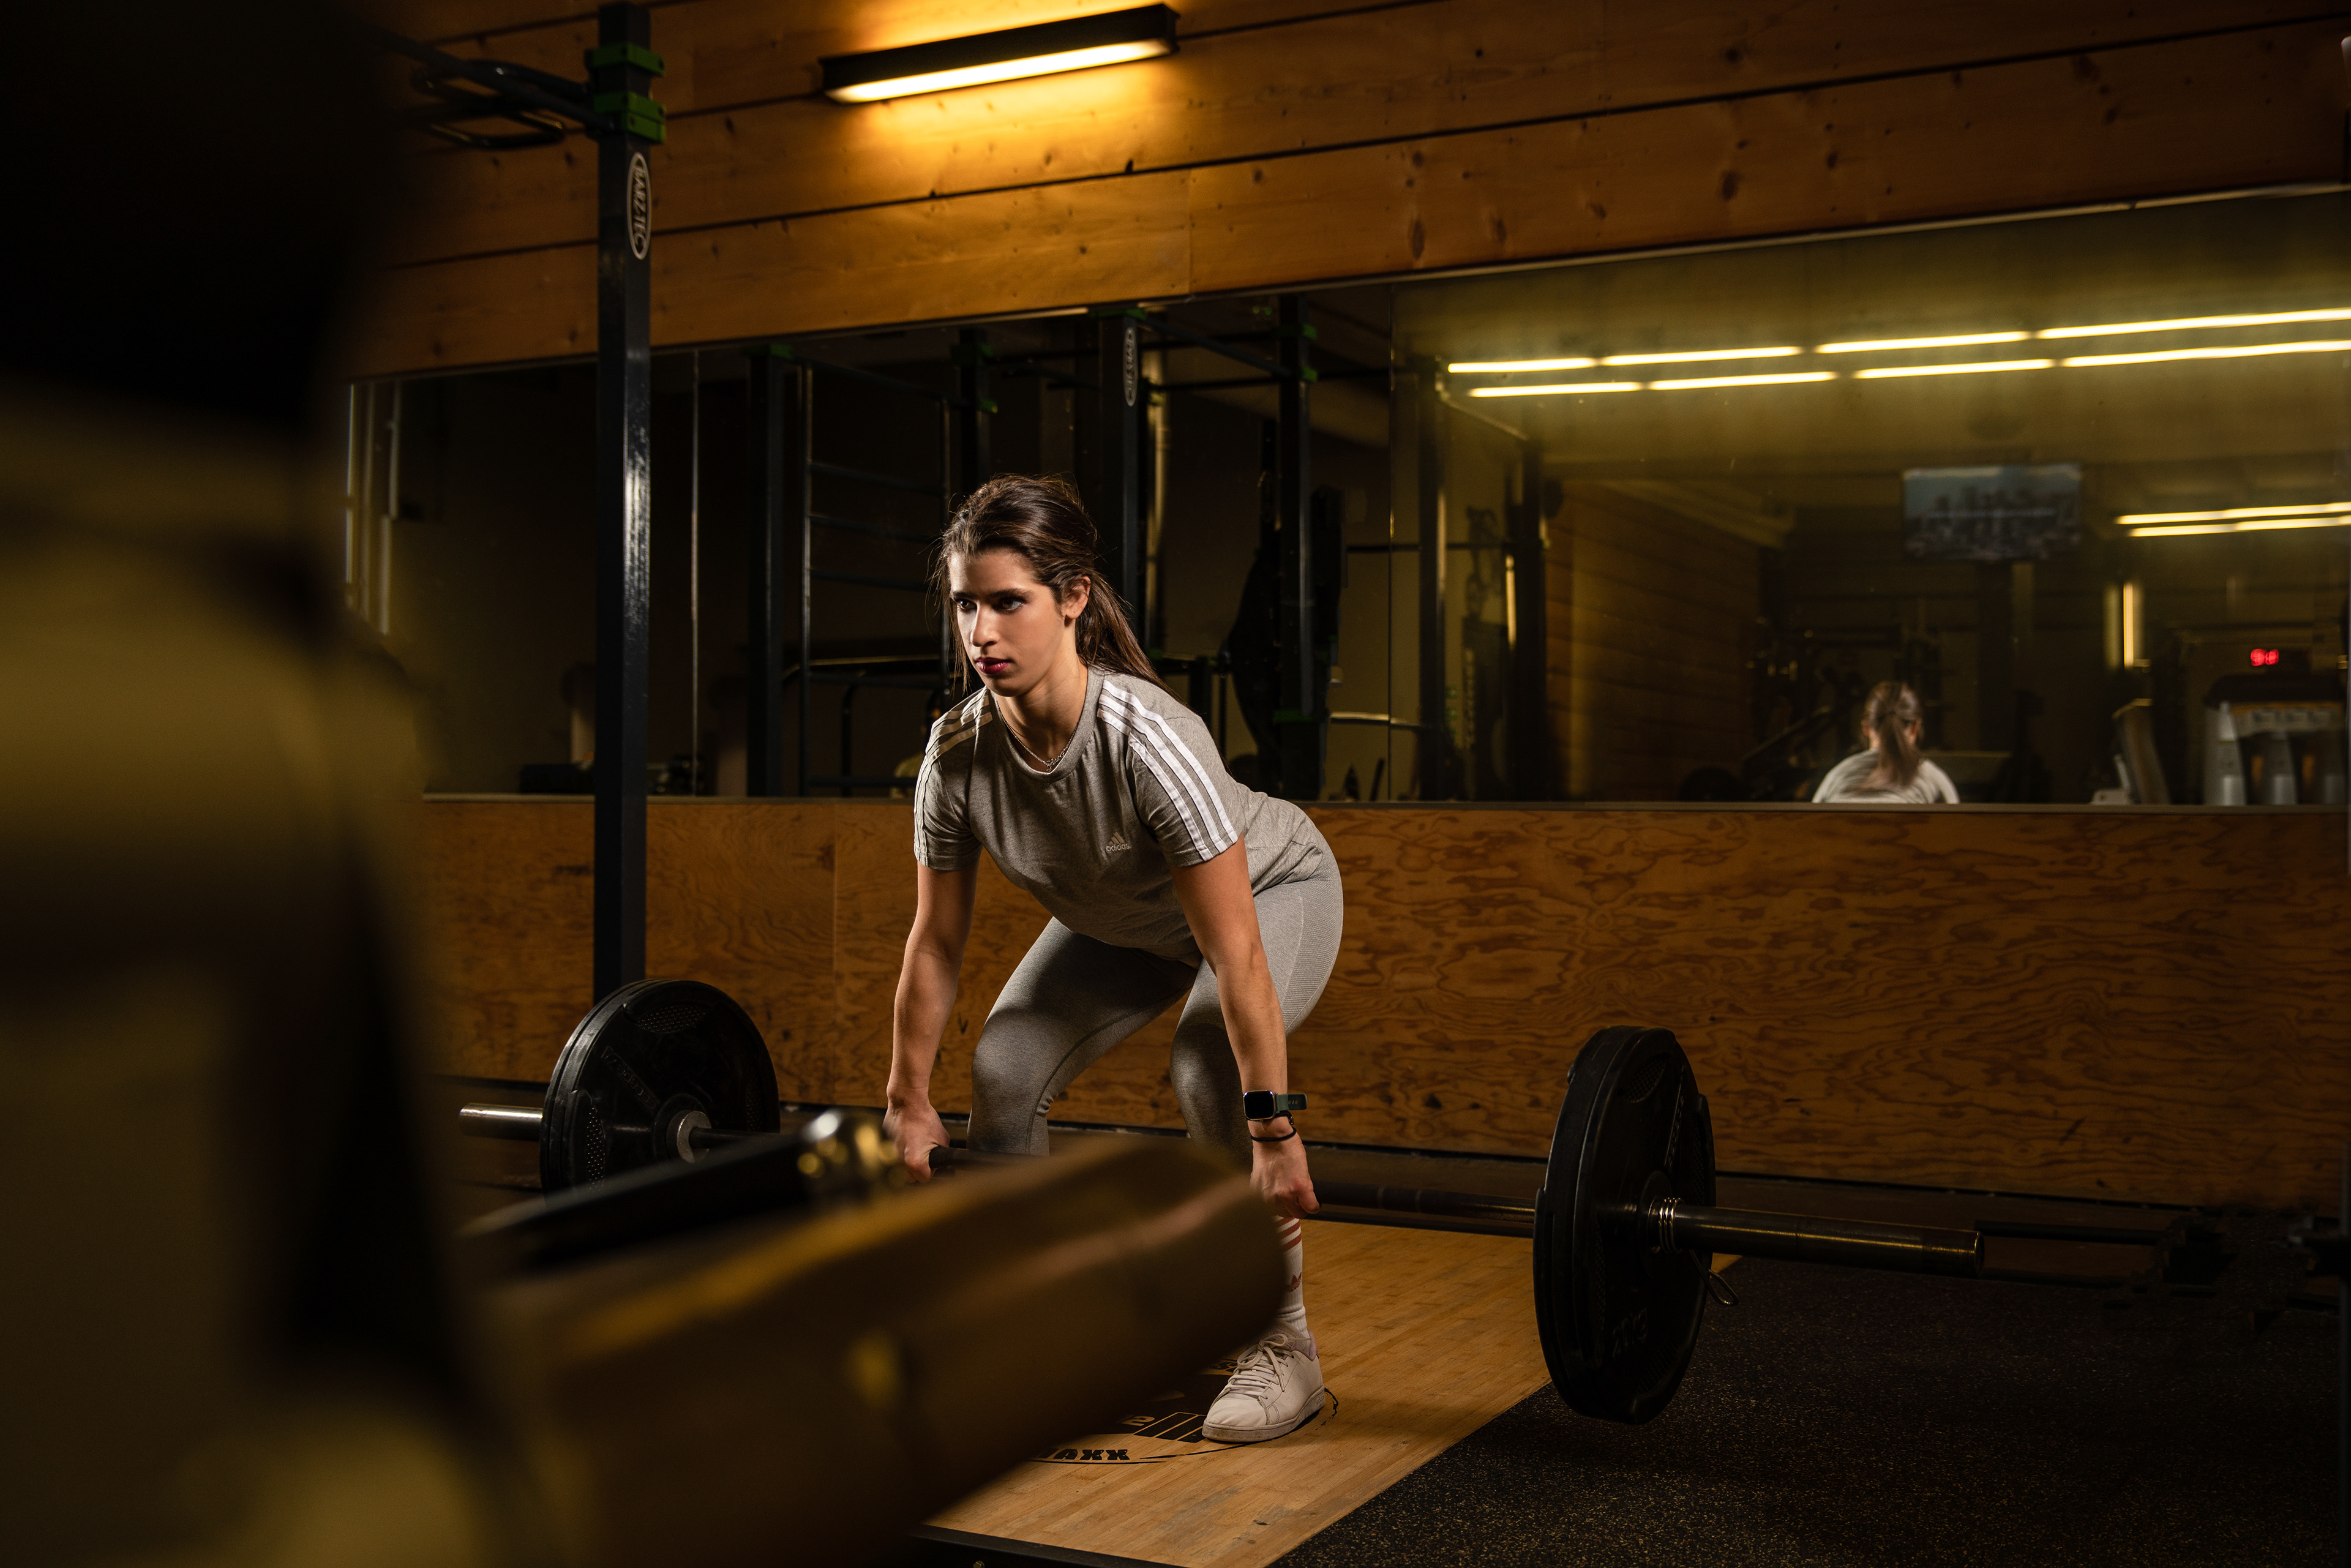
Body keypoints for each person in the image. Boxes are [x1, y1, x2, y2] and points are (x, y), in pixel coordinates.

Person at [885, 475, 1343, 1444]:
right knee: (1006, 1066)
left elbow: (1236, 951)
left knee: (1207, 1060)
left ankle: (1283, 1345)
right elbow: (935, 941)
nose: (981, 631)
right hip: (1125, 923)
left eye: (1008, 601)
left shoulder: (1150, 740)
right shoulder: (956, 754)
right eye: (965, 604)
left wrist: (1274, 1131)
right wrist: (906, 1098)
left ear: (1073, 598)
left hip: (1274, 894)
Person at [1811, 681, 1960, 803]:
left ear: (1866, 727)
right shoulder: (1932, 778)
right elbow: (1957, 826)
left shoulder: (1837, 776)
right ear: (1916, 728)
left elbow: (1810, 823)